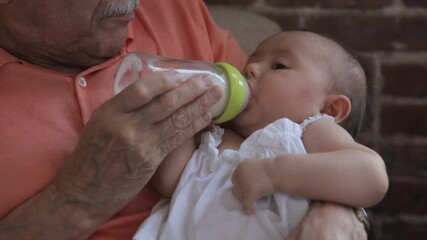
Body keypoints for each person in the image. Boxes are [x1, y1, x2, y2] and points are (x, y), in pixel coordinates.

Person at [0, 0, 369, 239]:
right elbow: (177, 178)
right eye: (256, 61)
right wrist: (76, 199)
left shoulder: (171, 8)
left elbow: (361, 170)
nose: (249, 70)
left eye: (276, 66)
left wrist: (333, 211)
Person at [133, 30, 388, 240]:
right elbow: (170, 182)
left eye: (279, 66)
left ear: (330, 108)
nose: (251, 68)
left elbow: (372, 175)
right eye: (247, 66)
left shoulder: (308, 129)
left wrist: (275, 172)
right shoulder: (214, 136)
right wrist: (181, 114)